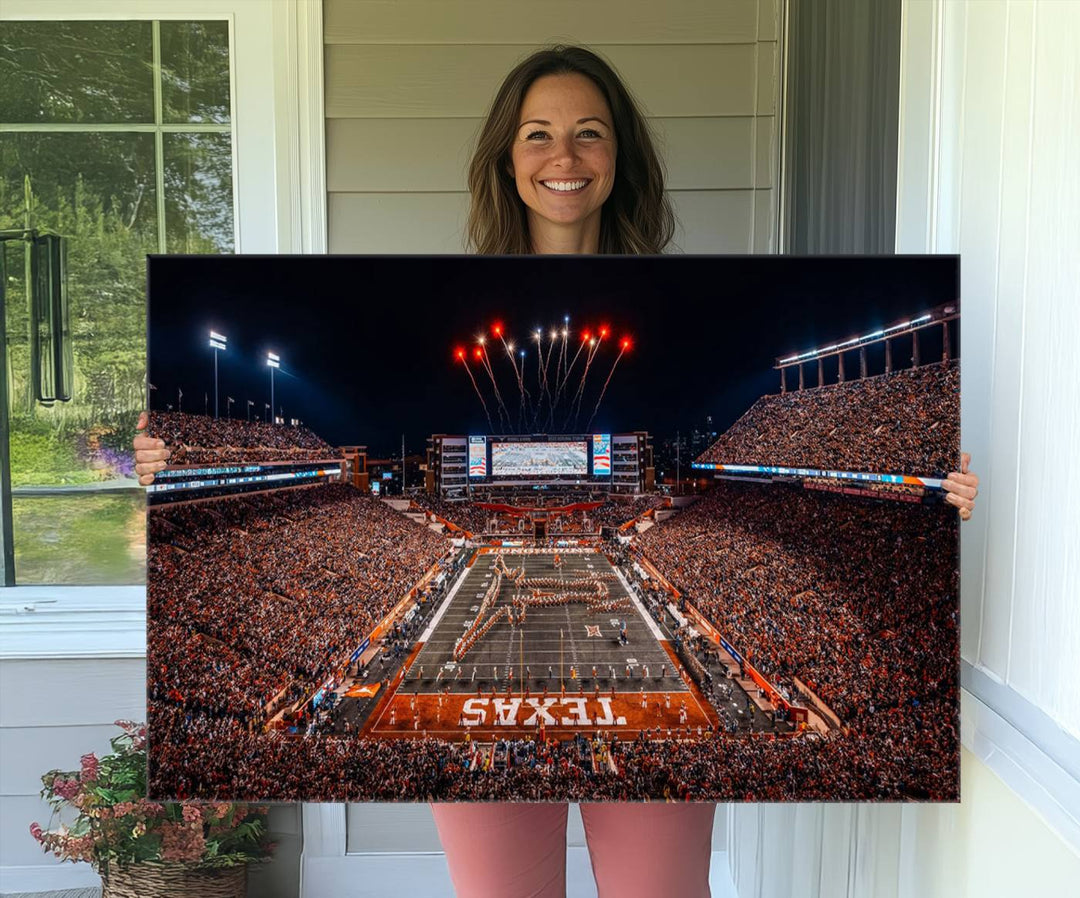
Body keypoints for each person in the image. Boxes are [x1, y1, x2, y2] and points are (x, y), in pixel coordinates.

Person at [133, 44, 980, 898]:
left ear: (620, 158)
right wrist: (166, 464)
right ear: (507, 157)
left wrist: (930, 485)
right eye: (538, 134)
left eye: (589, 134)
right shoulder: (449, 285)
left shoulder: (680, 289)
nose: (564, 157)